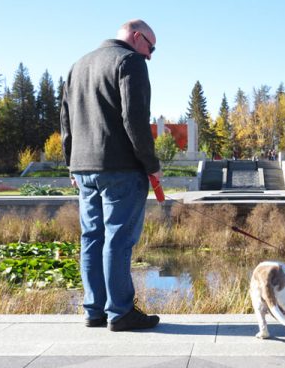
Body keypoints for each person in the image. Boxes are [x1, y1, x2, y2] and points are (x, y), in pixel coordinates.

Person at [60, 19, 161, 332]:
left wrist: (71, 164)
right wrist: (152, 164)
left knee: (91, 238)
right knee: (118, 240)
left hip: (84, 169)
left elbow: (65, 120)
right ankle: (120, 312)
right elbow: (135, 120)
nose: (150, 56)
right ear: (136, 36)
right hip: (121, 169)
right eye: (151, 47)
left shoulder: (78, 65)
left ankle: (94, 310)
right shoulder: (129, 61)